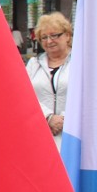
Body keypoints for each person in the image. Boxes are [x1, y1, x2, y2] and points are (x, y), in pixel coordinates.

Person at [26, 12, 73, 150]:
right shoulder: (34, 64)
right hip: (40, 134)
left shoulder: (81, 63)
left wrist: (63, 119)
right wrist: (48, 117)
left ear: (67, 35)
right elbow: (23, 95)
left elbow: (88, 97)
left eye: (54, 35)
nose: (49, 41)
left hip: (72, 134)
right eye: (44, 37)